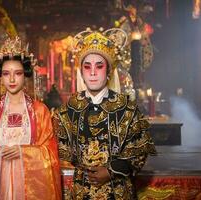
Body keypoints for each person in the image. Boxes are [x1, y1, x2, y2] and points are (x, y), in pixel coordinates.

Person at [53, 28, 156, 199]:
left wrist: (110, 170)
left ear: (108, 71)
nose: (93, 72)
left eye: (99, 66)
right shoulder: (68, 109)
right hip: (82, 191)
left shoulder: (126, 108)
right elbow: (62, 149)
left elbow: (139, 152)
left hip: (118, 191)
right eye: (87, 67)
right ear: (81, 72)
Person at [0, 37, 61, 200]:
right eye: (6, 74)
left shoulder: (40, 111)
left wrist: (23, 152)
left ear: (25, 75)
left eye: (17, 73)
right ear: (0, 76)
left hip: (29, 186)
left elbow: (50, 152)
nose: (12, 79)